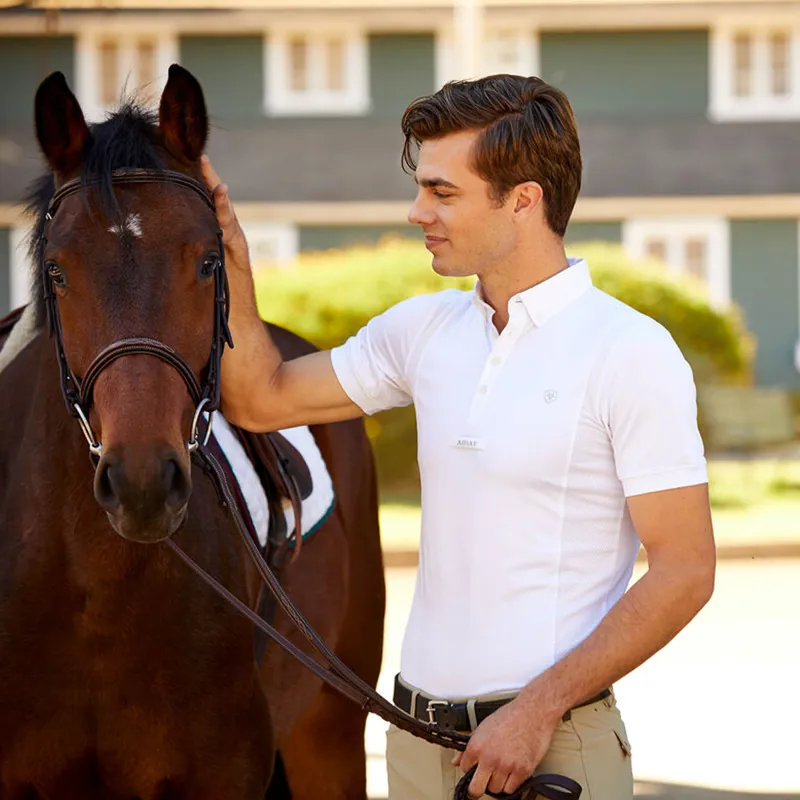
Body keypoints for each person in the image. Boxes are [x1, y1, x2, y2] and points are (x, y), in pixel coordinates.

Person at [200, 74, 715, 800]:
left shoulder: (629, 350)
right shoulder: (422, 331)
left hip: (551, 748)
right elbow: (260, 399)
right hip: (414, 743)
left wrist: (534, 712)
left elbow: (685, 570)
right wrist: (232, 259)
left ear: (523, 200)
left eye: (443, 193)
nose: (417, 213)